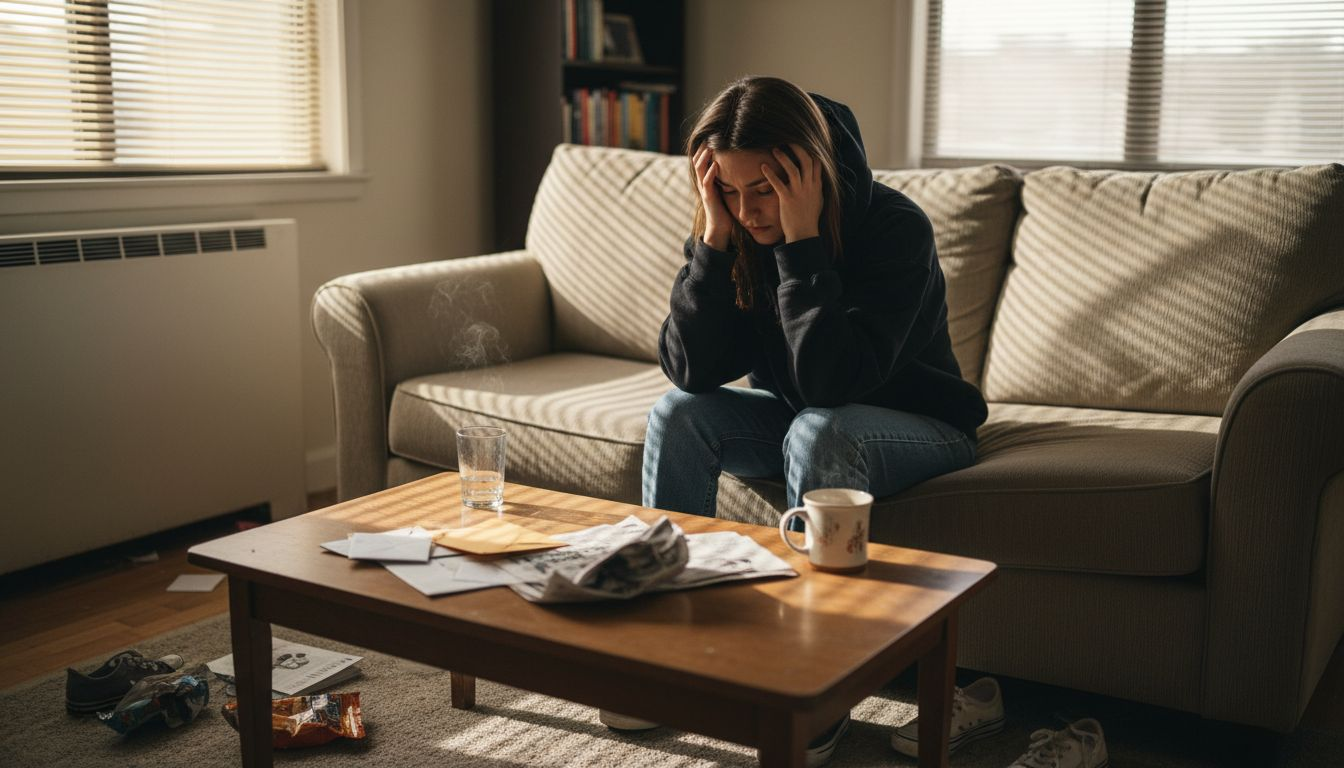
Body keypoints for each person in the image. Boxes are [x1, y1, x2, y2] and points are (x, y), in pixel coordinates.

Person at [604, 76, 989, 765]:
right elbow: (690, 370)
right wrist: (713, 241)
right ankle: (665, 654)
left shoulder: (894, 229)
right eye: (728, 189)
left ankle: (814, 684)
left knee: (820, 426)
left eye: (765, 190)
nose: (749, 209)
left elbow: (830, 385)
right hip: (804, 416)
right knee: (680, 413)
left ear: (808, 174)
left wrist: (802, 242)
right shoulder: (734, 225)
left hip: (924, 427)